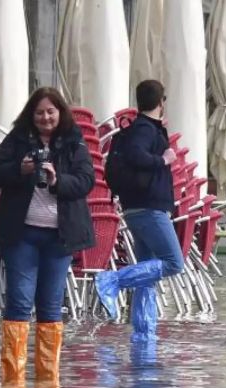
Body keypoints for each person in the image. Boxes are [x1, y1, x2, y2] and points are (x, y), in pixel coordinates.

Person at [0, 87, 95, 388]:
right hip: (22, 234)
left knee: (50, 305)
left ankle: (48, 380)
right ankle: (14, 381)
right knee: (19, 301)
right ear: (30, 115)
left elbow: (86, 180)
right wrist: (19, 171)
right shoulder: (18, 138)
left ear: (60, 112)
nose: (45, 117)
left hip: (59, 237)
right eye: (39, 112)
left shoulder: (74, 140)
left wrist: (58, 178)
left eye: (50, 111)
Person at [96, 80, 184, 340]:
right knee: (173, 262)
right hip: (149, 209)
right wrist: (163, 160)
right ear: (161, 102)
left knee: (147, 270)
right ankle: (112, 281)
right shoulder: (145, 129)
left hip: (137, 208)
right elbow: (137, 155)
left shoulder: (141, 128)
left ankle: (144, 332)